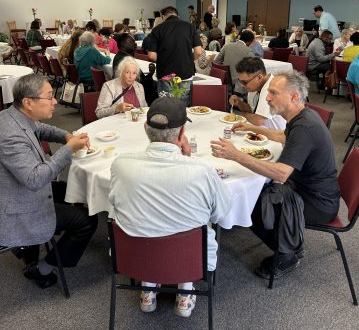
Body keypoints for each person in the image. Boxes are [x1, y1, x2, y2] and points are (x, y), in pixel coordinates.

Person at [211, 71, 340, 279]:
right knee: (256, 191)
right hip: (312, 190)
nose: (268, 98)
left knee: (252, 202)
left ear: (294, 96)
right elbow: (282, 135)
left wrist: (236, 155)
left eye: (273, 93)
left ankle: (287, 254)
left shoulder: (305, 127)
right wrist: (252, 128)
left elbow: (281, 174)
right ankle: (289, 240)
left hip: (317, 202)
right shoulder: (301, 115)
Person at [109, 97, 231, 316]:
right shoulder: (202, 170)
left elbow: (116, 205)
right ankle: (184, 294)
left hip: (134, 258)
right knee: (191, 224)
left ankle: (148, 289)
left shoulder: (120, 165)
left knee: (144, 219)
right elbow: (221, 213)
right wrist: (189, 161)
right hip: (189, 260)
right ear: (182, 133)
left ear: (145, 128)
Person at [0, 74, 98, 288]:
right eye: (49, 97)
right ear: (28, 102)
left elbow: (41, 130)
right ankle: (41, 269)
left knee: (74, 191)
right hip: (18, 206)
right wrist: (68, 149)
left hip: (16, 188)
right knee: (87, 219)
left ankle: (28, 247)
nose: (55, 102)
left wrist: (66, 136)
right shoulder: (10, 136)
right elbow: (35, 179)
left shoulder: (13, 115)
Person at [148, 6, 202, 105]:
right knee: (183, 106)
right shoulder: (190, 27)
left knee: (166, 105)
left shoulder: (157, 29)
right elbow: (198, 51)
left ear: (163, 17)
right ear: (177, 15)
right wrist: (189, 60)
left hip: (165, 73)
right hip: (185, 72)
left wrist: (163, 60)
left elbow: (151, 56)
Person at [229, 57, 286, 130]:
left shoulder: (272, 88)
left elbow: (258, 120)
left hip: (276, 135)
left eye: (245, 82)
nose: (243, 86)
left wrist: (240, 114)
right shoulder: (254, 87)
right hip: (261, 130)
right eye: (241, 82)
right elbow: (251, 110)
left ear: (259, 77)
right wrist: (239, 103)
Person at [112, 33, 157, 105]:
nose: (135, 44)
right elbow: (139, 82)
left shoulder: (120, 56)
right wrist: (151, 73)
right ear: (123, 45)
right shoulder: (125, 61)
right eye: (131, 42)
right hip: (133, 94)